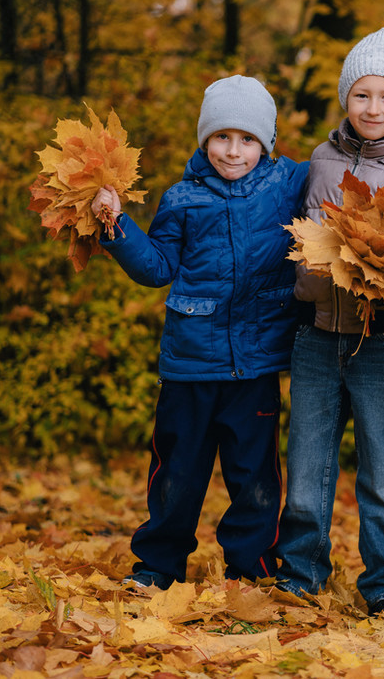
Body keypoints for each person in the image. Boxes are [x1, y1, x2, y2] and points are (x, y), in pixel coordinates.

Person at [91, 75, 311, 590]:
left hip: (255, 365)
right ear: (205, 138)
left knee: (254, 476)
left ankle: (251, 569)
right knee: (177, 473)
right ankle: (158, 565)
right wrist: (117, 225)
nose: (233, 151)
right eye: (221, 137)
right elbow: (158, 267)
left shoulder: (288, 184)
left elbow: (345, 164)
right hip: (190, 363)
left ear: (266, 142)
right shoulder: (182, 198)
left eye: (247, 139)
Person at [274, 27, 384, 616]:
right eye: (361, 95)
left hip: (383, 340)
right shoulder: (320, 162)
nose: (373, 108)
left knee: (381, 470)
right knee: (307, 466)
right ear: (345, 98)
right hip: (316, 336)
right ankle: (301, 572)